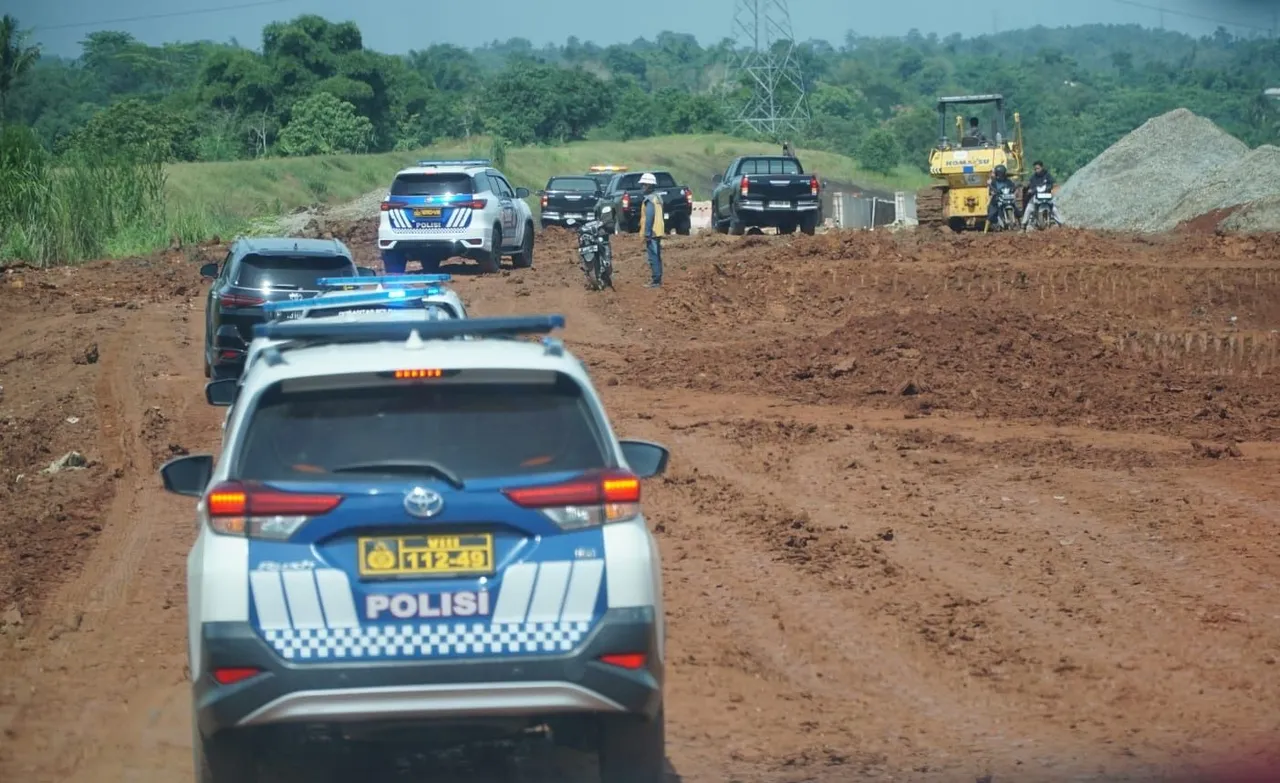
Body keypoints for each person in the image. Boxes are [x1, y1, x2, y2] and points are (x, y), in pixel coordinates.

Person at [639, 172, 665, 288]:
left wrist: (647, 233)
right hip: (658, 230)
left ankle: (656, 280)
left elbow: (649, 217)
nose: (642, 187)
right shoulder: (658, 197)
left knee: (653, 256)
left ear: (649, 185)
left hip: (652, 232)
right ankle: (658, 278)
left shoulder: (650, 199)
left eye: (644, 185)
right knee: (657, 255)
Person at [1020, 160, 1063, 227]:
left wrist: (1051, 187)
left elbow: (1052, 183)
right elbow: (1030, 184)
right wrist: (1029, 189)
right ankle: (1023, 226)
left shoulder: (1047, 175)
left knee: (1054, 209)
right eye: (1035, 169)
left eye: (1038, 168)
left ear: (1042, 167)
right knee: (1029, 208)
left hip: (1047, 196)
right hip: (1036, 196)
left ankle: (1061, 223)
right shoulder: (1033, 177)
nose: (1036, 170)